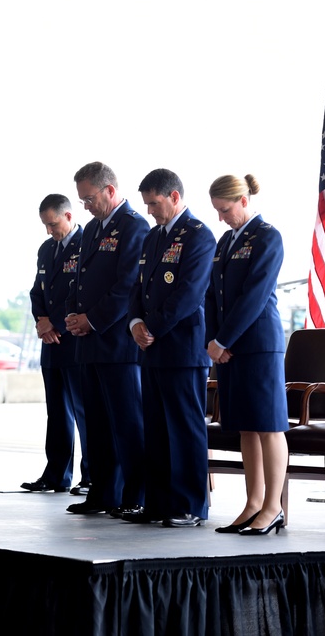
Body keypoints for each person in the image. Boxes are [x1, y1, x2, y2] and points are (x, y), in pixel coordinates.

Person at [125, 169, 216, 527]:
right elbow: (137, 288)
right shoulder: (151, 239)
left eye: (154, 203)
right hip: (150, 348)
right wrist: (135, 324)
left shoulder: (198, 236)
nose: (149, 210)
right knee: (157, 429)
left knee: (184, 427)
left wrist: (153, 327)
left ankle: (190, 505)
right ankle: (159, 502)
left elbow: (190, 293)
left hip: (181, 348)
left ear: (174, 197)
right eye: (146, 203)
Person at [205, 173, 288, 535]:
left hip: (257, 345)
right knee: (244, 427)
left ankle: (273, 506)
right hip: (228, 348)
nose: (221, 218)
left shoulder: (267, 237)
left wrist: (223, 340)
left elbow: (254, 296)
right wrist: (213, 340)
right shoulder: (225, 241)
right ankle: (253, 503)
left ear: (242, 200)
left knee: (268, 426)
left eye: (225, 210)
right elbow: (211, 296)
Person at [65, 162, 149, 517]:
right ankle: (102, 493)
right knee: (96, 425)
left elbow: (127, 286)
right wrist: (73, 316)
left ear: (110, 191)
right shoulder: (90, 231)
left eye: (89, 199)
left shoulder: (134, 226)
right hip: (89, 344)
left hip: (117, 343)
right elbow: (79, 280)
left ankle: (135, 495)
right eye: (81, 201)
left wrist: (93, 320)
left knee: (127, 424)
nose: (85, 206)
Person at [21, 193, 90, 495]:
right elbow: (38, 291)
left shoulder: (87, 244)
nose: (50, 231)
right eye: (45, 225)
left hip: (74, 340)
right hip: (51, 344)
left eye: (53, 224)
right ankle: (56, 475)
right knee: (57, 413)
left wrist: (57, 324)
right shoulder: (47, 249)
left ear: (68, 216)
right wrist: (41, 321)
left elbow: (81, 293)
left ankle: (91, 476)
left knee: (85, 412)